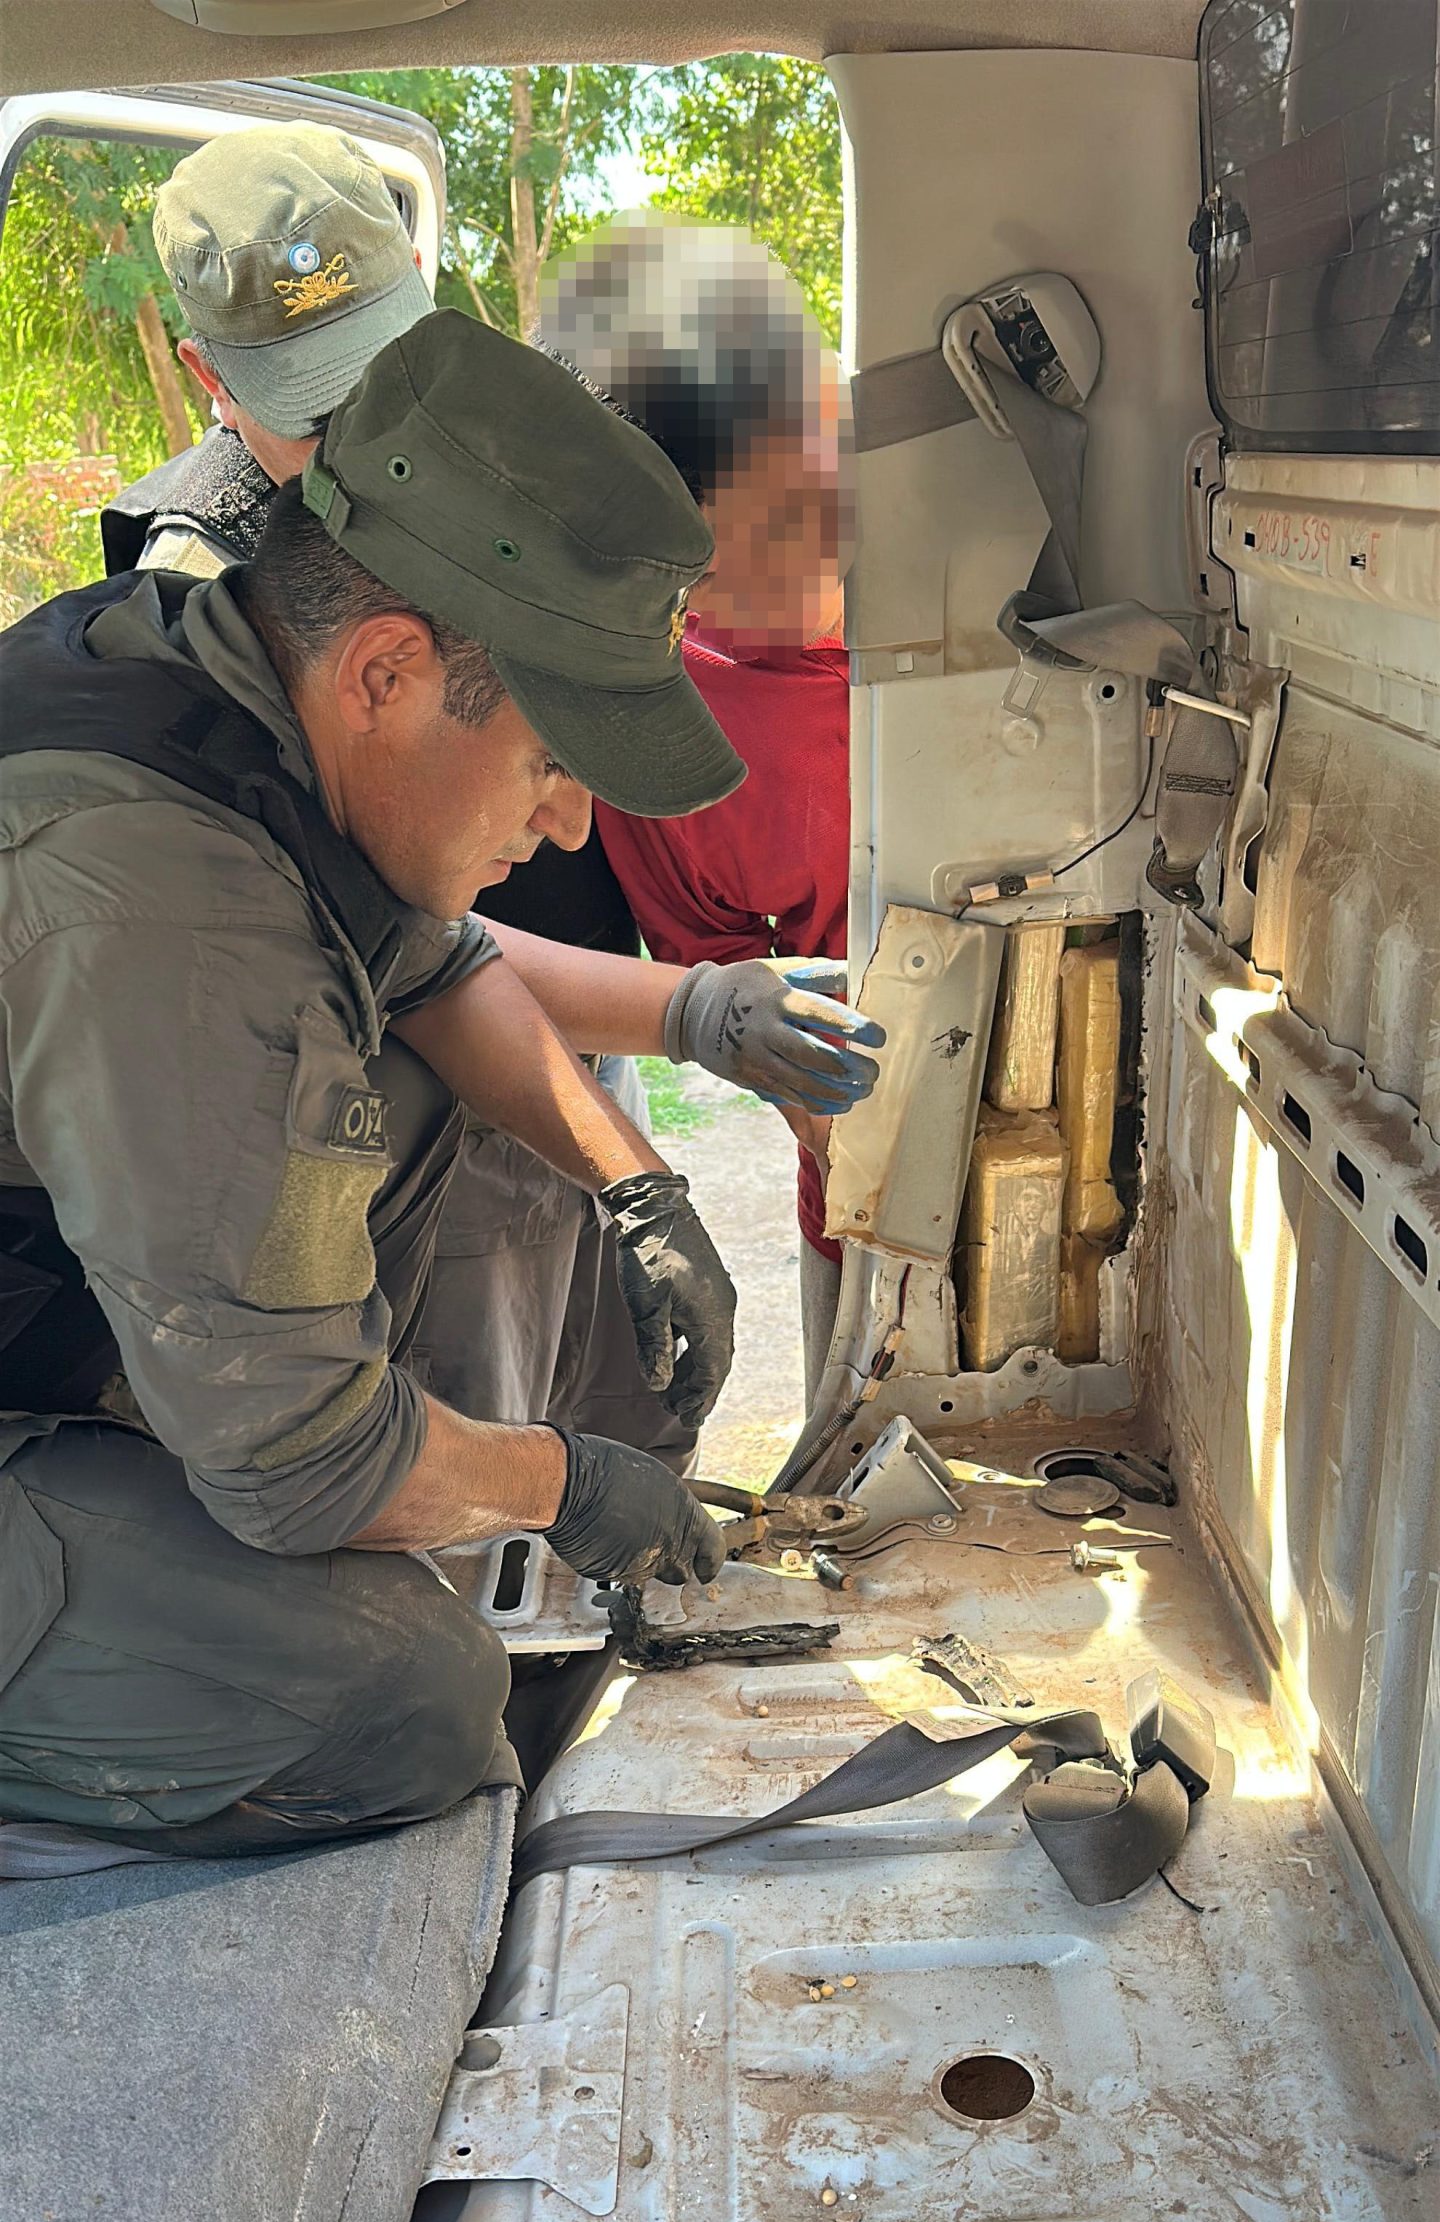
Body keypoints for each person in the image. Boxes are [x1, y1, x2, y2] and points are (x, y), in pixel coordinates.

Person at [0, 309, 752, 1860]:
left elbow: (438, 968)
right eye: (552, 760)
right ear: (389, 672)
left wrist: (638, 1190)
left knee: (424, 1085)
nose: (568, 826)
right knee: (405, 1699)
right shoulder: (171, 908)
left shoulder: (215, 678)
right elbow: (299, 1470)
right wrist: (559, 1483)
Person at [101, 122, 880, 1452]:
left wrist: (648, 1119)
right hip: (427, 1113)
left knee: (637, 1423)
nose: (351, 437)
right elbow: (389, 942)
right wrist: (688, 1010)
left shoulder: (502, 457)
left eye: (377, 368)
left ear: (424, 291)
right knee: (493, 1474)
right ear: (208, 376)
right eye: (307, 406)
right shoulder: (210, 593)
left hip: (577, 1056)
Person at [541, 218, 861, 1402]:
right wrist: (816, 1110)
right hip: (863, 1220)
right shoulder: (669, 729)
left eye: (807, 499)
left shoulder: (1003, 560)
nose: (800, 565)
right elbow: (726, 975)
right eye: (729, 562)